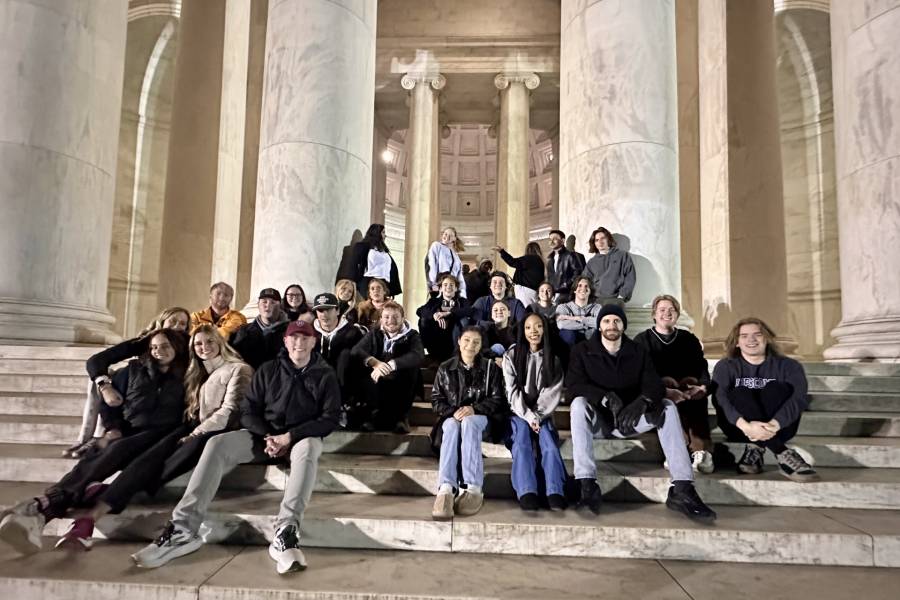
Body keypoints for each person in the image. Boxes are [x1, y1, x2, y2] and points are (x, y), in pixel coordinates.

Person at [131, 320, 341, 574]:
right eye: (293, 337)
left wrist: (290, 437)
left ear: (313, 341)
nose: (299, 342)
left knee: (308, 448)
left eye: (304, 337)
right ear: (285, 342)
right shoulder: (268, 370)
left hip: (300, 438)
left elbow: (329, 419)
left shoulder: (325, 374)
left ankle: (286, 532)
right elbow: (247, 411)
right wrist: (269, 436)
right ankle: (183, 529)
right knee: (217, 443)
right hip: (264, 437)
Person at [54, 325, 252, 550]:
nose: (204, 347)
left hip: (212, 432)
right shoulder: (194, 371)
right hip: (188, 428)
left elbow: (229, 411)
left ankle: (100, 501)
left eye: (210, 342)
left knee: (153, 462)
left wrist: (195, 433)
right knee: (145, 460)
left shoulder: (237, 369)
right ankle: (82, 507)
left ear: (220, 343)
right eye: (198, 344)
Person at [0, 329, 190, 555]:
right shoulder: (132, 370)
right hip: (130, 431)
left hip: (165, 435)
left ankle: (43, 507)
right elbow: (109, 405)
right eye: (154, 347)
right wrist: (113, 428)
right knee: (103, 456)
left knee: (140, 467)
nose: (159, 351)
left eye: (165, 346)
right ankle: (44, 508)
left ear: (177, 347)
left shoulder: (189, 374)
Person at [566, 305, 716, 521]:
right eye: (607, 321)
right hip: (599, 422)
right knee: (579, 404)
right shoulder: (582, 351)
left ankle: (682, 488)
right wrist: (605, 397)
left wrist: (642, 402)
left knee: (667, 407)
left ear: (623, 326)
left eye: (617, 321)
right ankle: (587, 484)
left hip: (631, 420)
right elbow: (574, 386)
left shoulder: (637, 351)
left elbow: (654, 384)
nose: (612, 325)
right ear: (599, 326)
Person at [66, 307, 191, 458]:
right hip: (139, 385)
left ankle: (107, 436)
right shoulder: (146, 341)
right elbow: (96, 361)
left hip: (168, 399)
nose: (177, 326)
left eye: (182, 324)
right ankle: (89, 437)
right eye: (172, 321)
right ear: (161, 322)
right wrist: (105, 386)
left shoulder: (189, 344)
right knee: (101, 379)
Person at [711, 318, 819, 482]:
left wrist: (774, 425)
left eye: (757, 335)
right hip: (738, 428)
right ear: (737, 342)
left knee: (776, 388)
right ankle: (782, 453)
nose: (751, 340)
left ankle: (754, 451)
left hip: (781, 427)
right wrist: (746, 426)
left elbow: (799, 399)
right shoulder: (726, 366)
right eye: (744, 336)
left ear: (767, 338)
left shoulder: (789, 366)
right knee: (740, 392)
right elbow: (720, 399)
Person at [430, 327, 508, 520]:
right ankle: (446, 489)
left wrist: (474, 409)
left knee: (469, 423)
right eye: (466, 340)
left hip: (482, 420)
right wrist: (453, 412)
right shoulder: (445, 367)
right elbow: (436, 400)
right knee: (450, 425)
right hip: (453, 418)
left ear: (481, 346)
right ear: (459, 341)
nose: (470, 345)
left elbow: (498, 399)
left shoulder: (490, 368)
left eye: (476, 342)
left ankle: (473, 488)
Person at [634, 295, 715, 474]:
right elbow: (638, 372)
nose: (667, 313)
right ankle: (677, 451)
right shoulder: (642, 340)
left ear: (677, 314)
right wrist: (663, 388)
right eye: (662, 310)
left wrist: (702, 386)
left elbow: (700, 365)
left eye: (671, 310)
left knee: (696, 397)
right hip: (659, 389)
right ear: (654, 314)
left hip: (687, 388)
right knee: (668, 403)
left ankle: (701, 451)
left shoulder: (688, 339)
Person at [502, 313, 567, 511]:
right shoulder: (511, 355)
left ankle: (555, 491)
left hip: (542, 414)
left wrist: (537, 416)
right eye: (529, 327)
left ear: (544, 330)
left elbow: (551, 394)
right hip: (518, 413)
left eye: (538, 326)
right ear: (523, 330)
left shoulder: (553, 359)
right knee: (521, 440)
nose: (533, 331)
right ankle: (526, 490)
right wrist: (529, 417)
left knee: (548, 441)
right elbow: (511, 392)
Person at [352, 301, 424, 433]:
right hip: (378, 380)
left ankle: (401, 418)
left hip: (401, 380)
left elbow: (418, 355)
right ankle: (374, 415)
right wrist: (375, 363)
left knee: (411, 367)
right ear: (381, 319)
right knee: (361, 368)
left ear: (403, 318)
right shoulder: (374, 333)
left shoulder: (412, 335)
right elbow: (356, 351)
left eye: (395, 317)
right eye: (386, 317)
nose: (391, 321)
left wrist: (391, 365)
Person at [312, 292, 367, 428]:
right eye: (320, 310)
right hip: (318, 379)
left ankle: (343, 407)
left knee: (346, 356)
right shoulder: (310, 334)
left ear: (337, 310)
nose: (324, 315)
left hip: (345, 379)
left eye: (328, 310)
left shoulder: (353, 332)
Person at [417, 272, 473, 362]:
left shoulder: (462, 301)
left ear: (456, 288)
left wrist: (448, 313)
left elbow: (469, 311)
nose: (448, 287)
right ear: (441, 288)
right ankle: (431, 353)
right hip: (437, 339)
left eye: (451, 285)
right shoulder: (433, 301)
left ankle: (458, 354)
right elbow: (420, 311)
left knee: (464, 320)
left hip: (454, 340)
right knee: (423, 319)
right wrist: (434, 315)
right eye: (445, 285)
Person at [231, 288, 290, 369]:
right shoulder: (243, 331)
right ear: (258, 305)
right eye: (264, 302)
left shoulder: (290, 332)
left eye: (273, 302)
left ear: (280, 306)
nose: (268, 305)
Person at [581, 227, 635, 307]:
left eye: (603, 238)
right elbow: (585, 281)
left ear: (608, 239)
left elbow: (630, 277)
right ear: (594, 243)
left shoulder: (622, 256)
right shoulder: (591, 262)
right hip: (596, 301)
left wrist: (622, 296)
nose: (600, 242)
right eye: (597, 240)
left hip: (616, 300)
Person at [350, 223, 402, 298]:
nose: (385, 235)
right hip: (368, 281)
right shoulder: (363, 246)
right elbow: (354, 265)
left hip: (383, 283)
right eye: (383, 232)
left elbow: (391, 269)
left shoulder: (383, 250)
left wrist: (391, 289)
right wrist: (355, 283)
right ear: (376, 233)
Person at [493, 242, 545, 307]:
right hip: (534, 292)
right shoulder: (540, 261)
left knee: (524, 313)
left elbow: (513, 262)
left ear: (528, 249)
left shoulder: (529, 258)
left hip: (524, 291)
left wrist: (502, 251)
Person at [555, 276, 601, 346]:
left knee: (596, 333)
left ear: (590, 291)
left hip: (590, 340)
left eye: (586, 286)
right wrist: (585, 325)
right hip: (571, 342)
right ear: (575, 290)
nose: (583, 288)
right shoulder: (563, 307)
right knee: (567, 333)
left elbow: (600, 323)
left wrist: (577, 318)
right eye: (580, 285)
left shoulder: (597, 307)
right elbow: (561, 324)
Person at [427, 226, 467, 298]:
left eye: (450, 235)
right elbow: (432, 264)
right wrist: (433, 284)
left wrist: (463, 294)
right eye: (445, 234)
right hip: (440, 285)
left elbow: (460, 276)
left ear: (454, 239)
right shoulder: (436, 245)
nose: (447, 237)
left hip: (451, 288)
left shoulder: (456, 256)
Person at [547, 229, 581, 301]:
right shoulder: (550, 259)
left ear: (562, 241)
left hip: (567, 295)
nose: (551, 241)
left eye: (555, 239)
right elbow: (549, 278)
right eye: (550, 239)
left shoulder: (570, 255)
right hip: (553, 295)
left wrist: (566, 285)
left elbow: (578, 273)